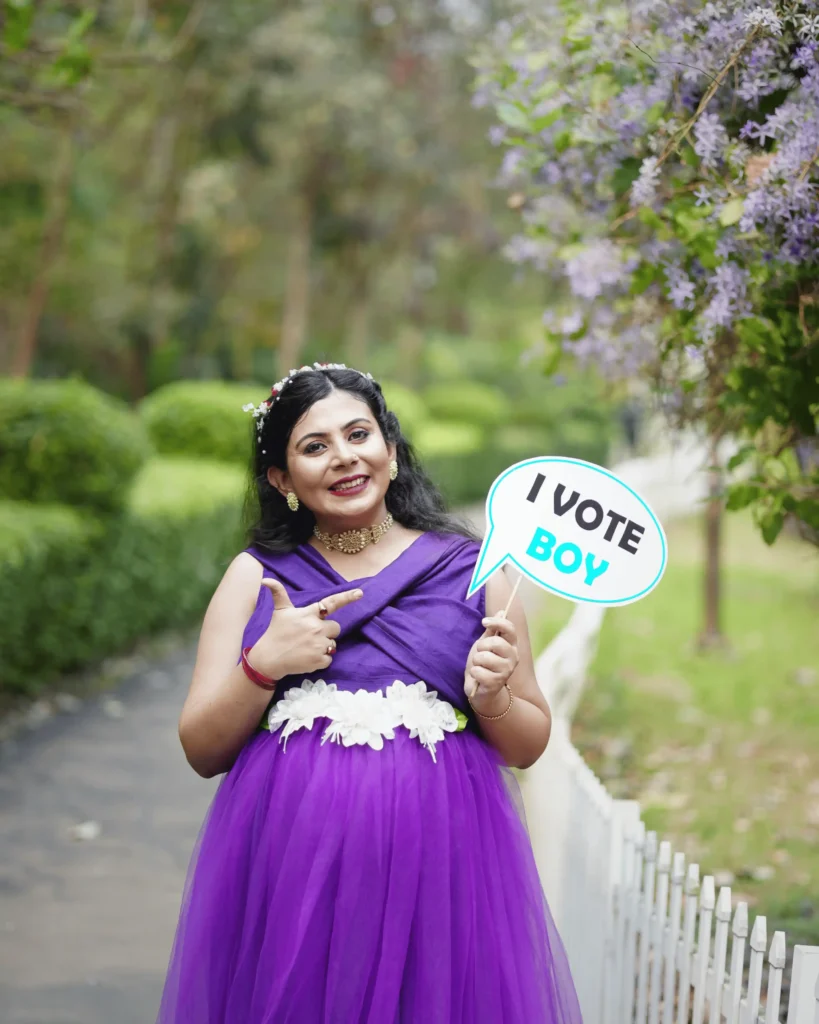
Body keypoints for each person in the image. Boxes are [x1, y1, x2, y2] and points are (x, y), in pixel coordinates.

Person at [156, 363, 583, 1024]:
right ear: (281, 478)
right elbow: (201, 749)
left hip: (440, 874)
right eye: (313, 446)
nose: (343, 457)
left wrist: (493, 698)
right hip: (292, 878)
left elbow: (527, 744)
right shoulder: (254, 576)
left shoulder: (473, 571)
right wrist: (263, 665)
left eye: (358, 433)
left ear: (389, 446)